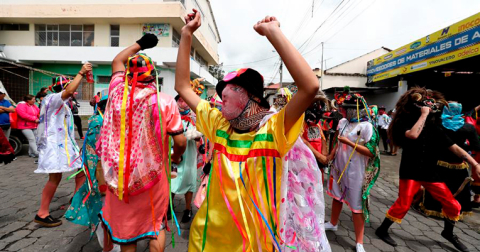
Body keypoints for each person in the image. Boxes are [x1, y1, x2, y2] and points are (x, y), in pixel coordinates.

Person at [176, 10, 322, 251]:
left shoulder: (274, 130)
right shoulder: (219, 124)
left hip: (255, 244)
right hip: (205, 240)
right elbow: (182, 85)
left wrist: (273, 33)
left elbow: (309, 86)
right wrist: (186, 33)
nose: (220, 99)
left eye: (228, 91)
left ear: (251, 97)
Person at [97, 34, 186, 252]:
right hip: (153, 176)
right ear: (153, 76)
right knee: (156, 224)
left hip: (117, 174)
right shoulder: (163, 101)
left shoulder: (116, 91)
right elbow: (181, 141)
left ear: (126, 74)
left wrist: (140, 44)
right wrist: (175, 157)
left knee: (128, 234)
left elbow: (117, 61)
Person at [375, 88, 480, 252]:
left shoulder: (435, 127)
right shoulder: (405, 121)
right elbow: (412, 135)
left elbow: (454, 148)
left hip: (430, 172)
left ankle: (448, 233)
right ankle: (382, 229)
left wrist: (475, 164)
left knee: (452, 204)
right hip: (410, 170)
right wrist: (423, 115)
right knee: (404, 204)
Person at [34, 64, 91, 227]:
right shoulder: (54, 99)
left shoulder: (60, 102)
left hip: (63, 145)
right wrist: (80, 73)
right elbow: (68, 91)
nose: (75, 90)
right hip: (54, 147)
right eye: (70, 87)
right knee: (55, 177)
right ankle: (42, 213)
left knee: (81, 170)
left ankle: (76, 200)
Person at [325, 88, 380, 252]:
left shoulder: (366, 126)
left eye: (345, 109)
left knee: (357, 207)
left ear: (354, 110)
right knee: (336, 196)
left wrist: (349, 143)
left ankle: (359, 242)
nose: (341, 111)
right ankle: (333, 223)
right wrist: (330, 156)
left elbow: (371, 152)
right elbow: (336, 141)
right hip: (339, 167)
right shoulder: (343, 122)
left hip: (357, 171)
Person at [418, 102, 480, 219]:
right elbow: (476, 147)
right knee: (459, 189)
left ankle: (434, 210)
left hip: (438, 162)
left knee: (436, 188)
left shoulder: (437, 124)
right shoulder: (468, 127)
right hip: (459, 163)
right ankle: (454, 212)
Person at [171, 94, 203, 224]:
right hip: (173, 152)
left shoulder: (195, 117)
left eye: (185, 100)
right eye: (180, 100)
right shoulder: (171, 116)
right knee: (172, 179)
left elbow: (199, 136)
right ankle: (169, 207)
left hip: (189, 153)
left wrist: (195, 136)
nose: (182, 103)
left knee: (189, 180)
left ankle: (188, 209)